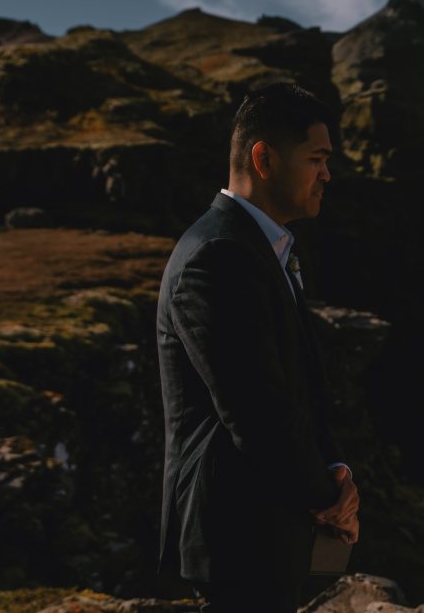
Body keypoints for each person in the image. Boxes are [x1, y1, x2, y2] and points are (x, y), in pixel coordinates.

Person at [156, 83, 359, 612]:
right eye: (316, 158)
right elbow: (255, 410)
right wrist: (328, 499)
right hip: (236, 531)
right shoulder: (218, 255)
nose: (327, 175)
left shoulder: (267, 250)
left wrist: (338, 472)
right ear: (264, 158)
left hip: (268, 523)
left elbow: (301, 389)